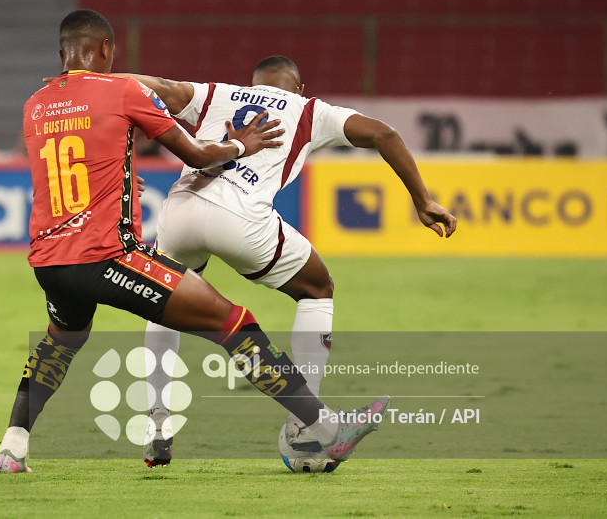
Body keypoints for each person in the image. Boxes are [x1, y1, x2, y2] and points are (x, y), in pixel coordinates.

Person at [0, 10, 390, 474]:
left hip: (51, 262)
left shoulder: (36, 103)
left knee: (60, 342)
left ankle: (11, 449)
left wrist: (121, 187)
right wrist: (241, 145)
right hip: (111, 258)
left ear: (61, 55)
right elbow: (197, 154)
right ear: (106, 50)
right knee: (235, 324)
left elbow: (71, 170)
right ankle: (324, 429)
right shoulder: (123, 91)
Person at [115, 56, 456, 466]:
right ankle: (305, 421)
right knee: (317, 288)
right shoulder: (311, 110)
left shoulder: (214, 94)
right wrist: (423, 200)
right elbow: (385, 133)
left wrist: (92, 78)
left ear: (253, 84)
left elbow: (158, 84)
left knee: (166, 303)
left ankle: (158, 422)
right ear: (298, 87)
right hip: (238, 217)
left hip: (179, 212)